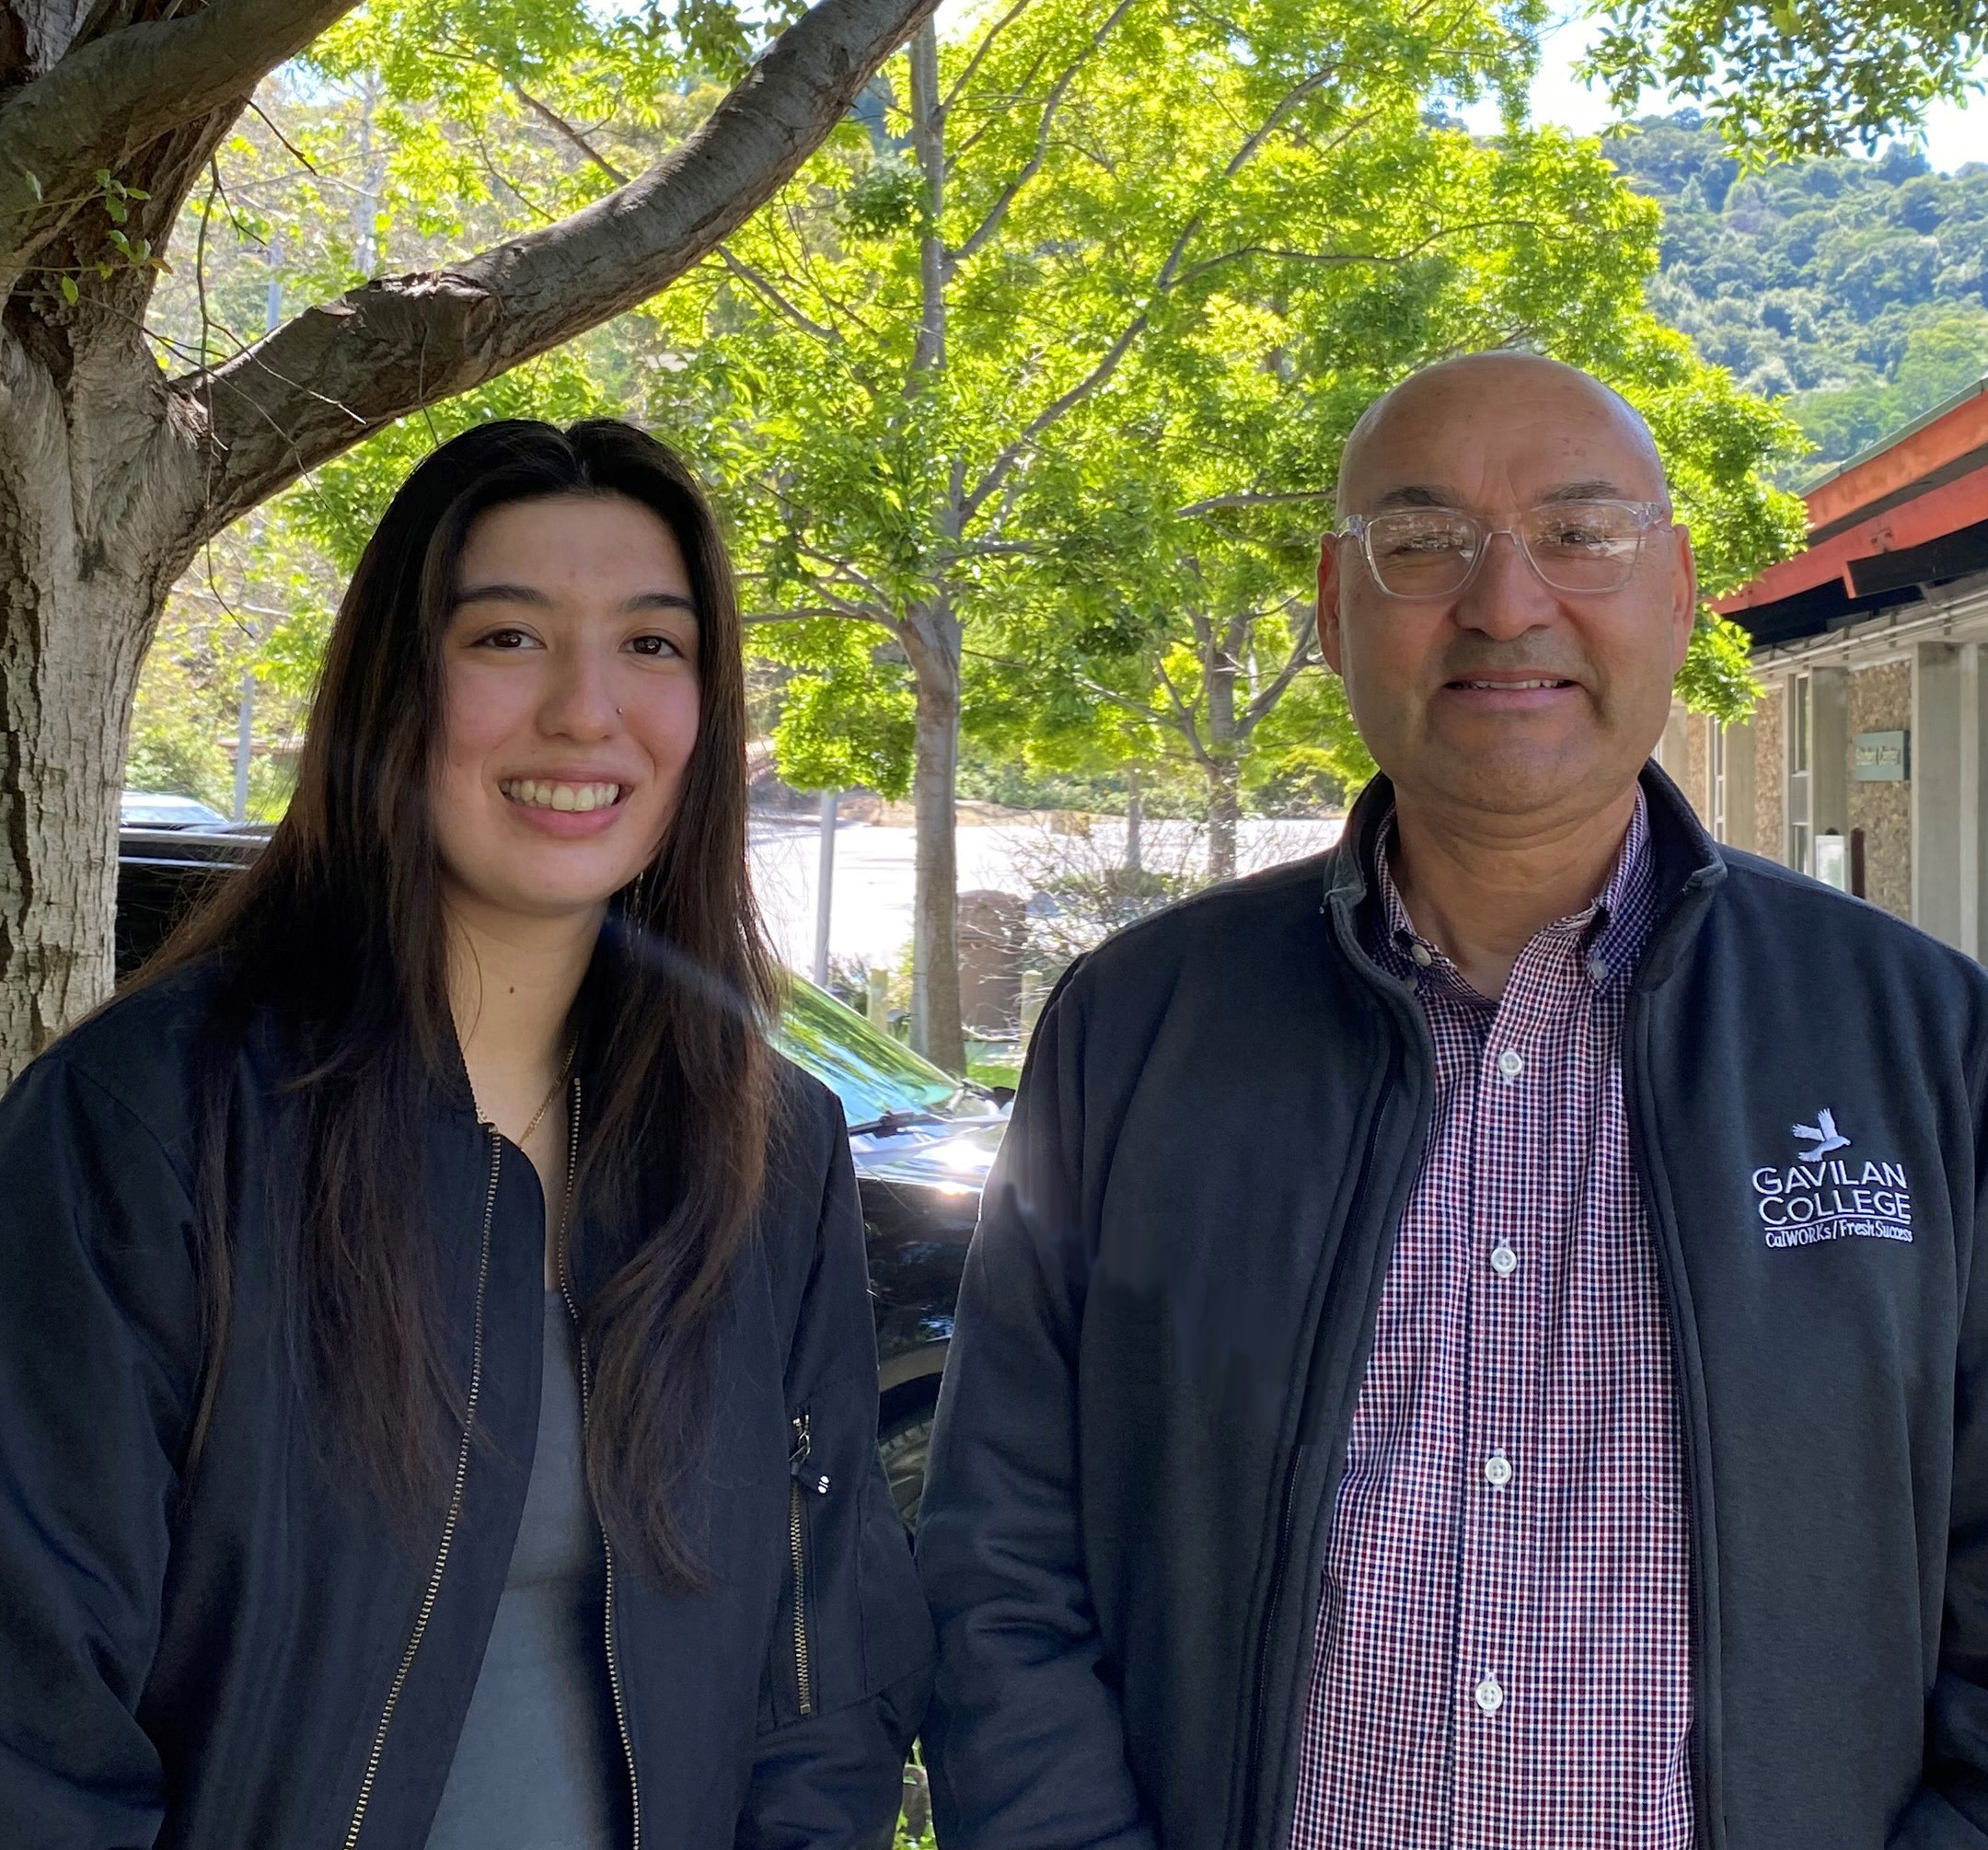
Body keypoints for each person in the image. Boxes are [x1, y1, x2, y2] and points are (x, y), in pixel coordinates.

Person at [915, 352, 1988, 1849]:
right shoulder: (1141, 1026)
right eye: (1420, 542)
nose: (1503, 602)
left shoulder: (1919, 1040)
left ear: (1678, 592)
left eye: (1580, 534)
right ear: (1333, 607)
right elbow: (1003, 1554)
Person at [0, 419, 931, 1847]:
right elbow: (33, 1724)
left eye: (653, 646)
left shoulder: (766, 1145)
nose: (584, 709)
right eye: (507, 638)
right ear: (396, 689)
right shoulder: (149, 1121)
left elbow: (823, 1672)